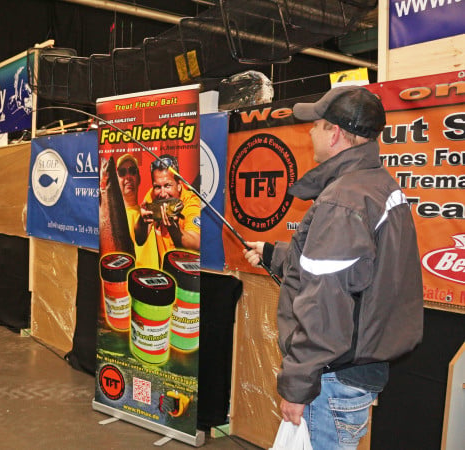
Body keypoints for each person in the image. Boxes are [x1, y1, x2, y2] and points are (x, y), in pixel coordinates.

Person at [243, 86, 423, 449]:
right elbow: (356, 272)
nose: (309, 132)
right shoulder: (377, 187)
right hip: (354, 373)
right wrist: (272, 253)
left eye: (317, 125)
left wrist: (298, 385)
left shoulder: (343, 199)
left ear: (336, 134)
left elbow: (326, 301)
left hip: (331, 379)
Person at [133, 154, 201, 267]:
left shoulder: (191, 202)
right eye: (157, 187)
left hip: (189, 274)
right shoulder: (153, 196)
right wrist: (142, 220)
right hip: (165, 274)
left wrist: (174, 229)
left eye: (168, 185)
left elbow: (196, 243)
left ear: (179, 185)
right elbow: (140, 239)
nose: (163, 193)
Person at [116, 153, 157, 269]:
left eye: (132, 171)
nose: (128, 176)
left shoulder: (151, 210)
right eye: (122, 173)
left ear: (139, 178)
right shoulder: (114, 219)